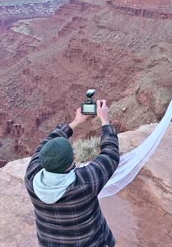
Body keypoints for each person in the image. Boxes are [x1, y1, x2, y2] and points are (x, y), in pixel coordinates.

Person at [25, 100, 120, 247]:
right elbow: (110, 155)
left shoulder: (31, 176)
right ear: (72, 162)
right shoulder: (84, 182)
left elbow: (44, 144)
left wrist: (76, 122)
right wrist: (105, 120)